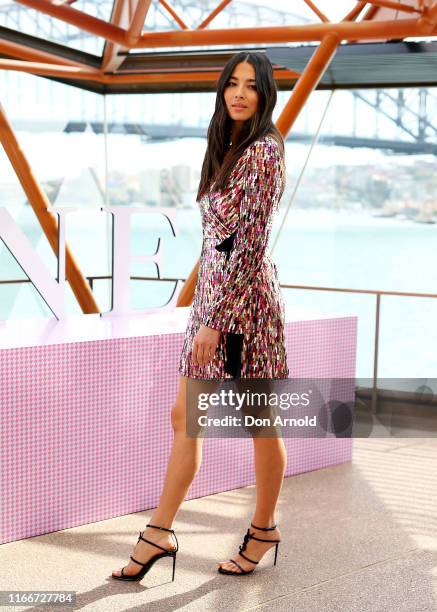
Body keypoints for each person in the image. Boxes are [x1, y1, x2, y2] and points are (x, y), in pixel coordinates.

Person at [112, 50, 289, 581]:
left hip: (244, 309)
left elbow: (249, 244)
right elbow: (218, 243)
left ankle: (262, 529)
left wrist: (216, 319)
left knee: (259, 422)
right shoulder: (228, 147)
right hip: (214, 302)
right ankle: (160, 533)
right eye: (232, 84)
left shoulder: (263, 153)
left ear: (264, 94)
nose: (239, 93)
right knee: (185, 416)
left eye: (250, 85)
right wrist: (200, 308)